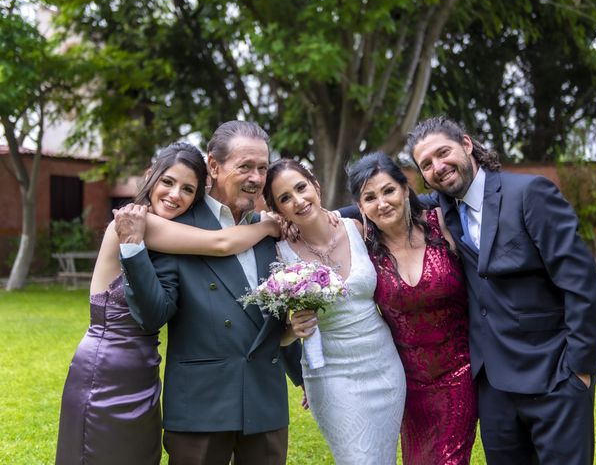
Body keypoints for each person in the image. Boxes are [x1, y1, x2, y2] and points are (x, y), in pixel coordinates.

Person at [55, 141, 283, 465]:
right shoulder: (135, 222)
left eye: (188, 189)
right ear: (151, 176)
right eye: (168, 182)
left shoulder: (167, 229)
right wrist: (268, 225)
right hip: (107, 365)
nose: (176, 195)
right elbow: (220, 243)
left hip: (144, 368)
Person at [406, 116, 596, 465]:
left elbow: (581, 283)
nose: (438, 166)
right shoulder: (444, 208)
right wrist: (321, 217)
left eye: (443, 152)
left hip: (554, 375)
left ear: (466, 145)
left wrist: (580, 371)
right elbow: (389, 201)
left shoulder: (530, 194)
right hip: (494, 387)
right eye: (426, 164)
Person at [116, 121, 303, 465]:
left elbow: (277, 314)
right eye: (245, 166)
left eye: (262, 168)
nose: (257, 177)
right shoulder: (177, 224)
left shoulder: (272, 228)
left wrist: (302, 374)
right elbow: (153, 315)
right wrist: (133, 249)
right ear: (214, 167)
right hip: (201, 405)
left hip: (266, 400)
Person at [263, 158, 406, 464]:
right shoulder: (279, 253)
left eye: (301, 187)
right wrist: (293, 329)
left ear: (315, 185)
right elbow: (278, 337)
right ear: (277, 210)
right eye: (285, 198)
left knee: (384, 458)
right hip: (331, 373)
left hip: (384, 365)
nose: (298, 200)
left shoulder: (358, 227)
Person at [346, 151, 477, 465]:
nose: (383, 202)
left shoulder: (441, 223)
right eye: (370, 197)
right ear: (360, 207)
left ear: (405, 189)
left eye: (389, 190)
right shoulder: (362, 245)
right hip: (405, 383)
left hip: (459, 374)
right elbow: (317, 224)